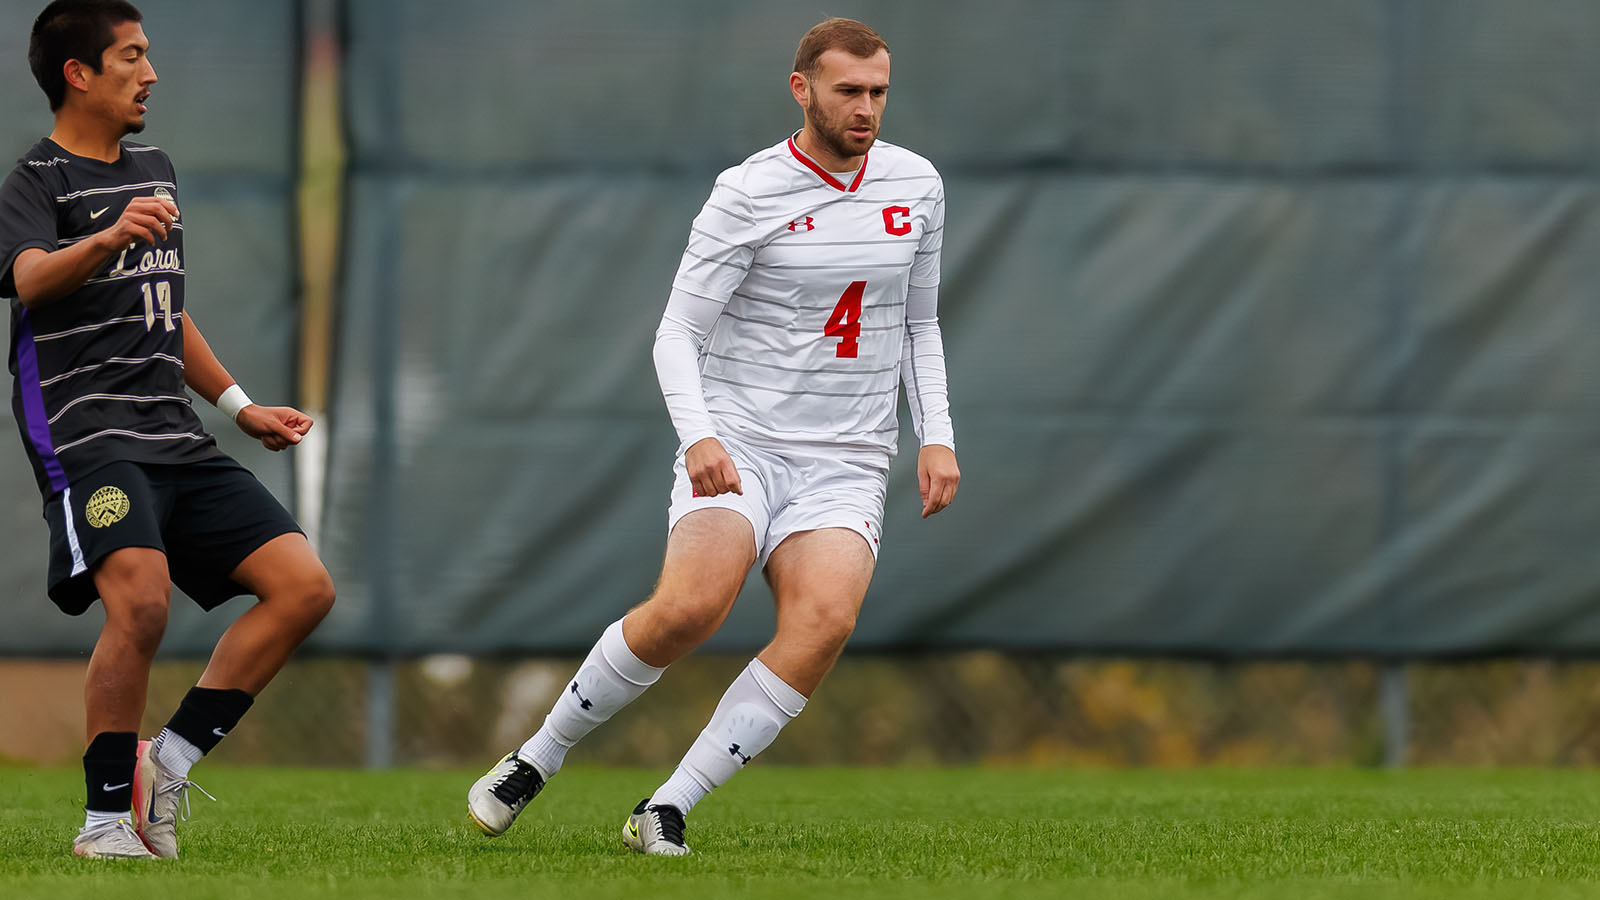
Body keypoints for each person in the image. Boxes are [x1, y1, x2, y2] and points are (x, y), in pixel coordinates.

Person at [468, 16, 959, 855]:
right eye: (848, 91)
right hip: (743, 440)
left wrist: (937, 434)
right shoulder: (748, 191)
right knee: (689, 609)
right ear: (802, 88)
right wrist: (699, 437)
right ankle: (534, 759)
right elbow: (675, 334)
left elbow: (919, 323)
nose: (866, 108)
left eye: (878, 92)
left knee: (825, 621)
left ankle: (667, 807)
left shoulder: (917, 185)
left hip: (848, 458)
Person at [0, 0, 334, 860]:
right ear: (79, 74)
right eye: (132, 57)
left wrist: (240, 406)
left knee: (304, 587)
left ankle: (170, 763)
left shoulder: (155, 167)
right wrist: (108, 236)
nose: (150, 74)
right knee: (141, 600)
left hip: (173, 432)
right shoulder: (36, 183)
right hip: (88, 434)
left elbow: (166, 312)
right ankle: (105, 822)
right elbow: (31, 280)